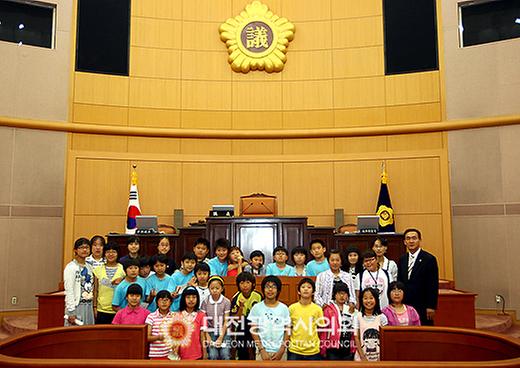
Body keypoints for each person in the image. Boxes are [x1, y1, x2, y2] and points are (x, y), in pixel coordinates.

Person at [397, 228, 439, 326]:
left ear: (419, 240)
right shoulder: (402, 259)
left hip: (423, 305)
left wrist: (431, 306)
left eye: (414, 238)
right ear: (404, 242)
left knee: (424, 332)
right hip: (405, 304)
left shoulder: (429, 259)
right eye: (408, 238)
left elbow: (433, 285)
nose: (411, 241)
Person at [249, 276, 290, 361]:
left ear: (278, 290)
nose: (270, 290)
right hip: (262, 351)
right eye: (267, 286)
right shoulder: (256, 307)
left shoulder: (284, 308)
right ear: (263, 289)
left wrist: (282, 349)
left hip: (280, 351)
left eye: (274, 287)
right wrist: (262, 350)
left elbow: (287, 330)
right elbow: (253, 330)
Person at [288, 278, 323, 360]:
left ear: (313, 292)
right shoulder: (292, 308)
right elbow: (289, 328)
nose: (306, 289)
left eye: (309, 287)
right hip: (295, 350)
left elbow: (320, 328)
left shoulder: (317, 309)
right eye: (303, 287)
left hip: (313, 351)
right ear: (298, 291)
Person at [230, 272, 262, 360]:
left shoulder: (258, 296)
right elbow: (235, 320)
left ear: (253, 284)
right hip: (242, 326)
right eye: (242, 283)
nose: (245, 285)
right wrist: (240, 307)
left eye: (248, 282)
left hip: (257, 325)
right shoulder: (236, 298)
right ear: (238, 285)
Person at [319, 282, 356, 360]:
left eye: (344, 293)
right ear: (334, 295)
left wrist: (353, 348)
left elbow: (354, 330)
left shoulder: (351, 309)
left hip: (348, 347)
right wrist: (323, 347)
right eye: (339, 293)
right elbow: (324, 330)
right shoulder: (328, 310)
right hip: (332, 347)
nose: (342, 296)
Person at [64, 237, 95, 326]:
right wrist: (71, 311)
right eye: (81, 247)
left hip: (88, 305)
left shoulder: (89, 267)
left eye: (87, 247)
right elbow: (69, 290)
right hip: (77, 305)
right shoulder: (71, 267)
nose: (84, 250)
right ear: (75, 250)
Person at [93, 241, 125, 324]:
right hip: (101, 310)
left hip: (119, 310)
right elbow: (95, 290)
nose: (111, 254)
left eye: (113, 252)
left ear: (118, 253)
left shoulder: (123, 269)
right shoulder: (97, 270)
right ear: (104, 254)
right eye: (108, 252)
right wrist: (95, 307)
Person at [200, 276, 231, 360]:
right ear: (208, 289)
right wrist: (207, 336)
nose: (214, 290)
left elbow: (226, 320)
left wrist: (221, 337)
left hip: (224, 331)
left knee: (225, 354)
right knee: (213, 355)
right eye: (212, 288)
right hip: (210, 331)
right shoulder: (205, 302)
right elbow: (203, 321)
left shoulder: (226, 302)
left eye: (217, 288)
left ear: (222, 288)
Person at [353, 287, 388, 361]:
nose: (368, 301)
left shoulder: (382, 317)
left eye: (371, 298)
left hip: (379, 358)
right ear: (361, 300)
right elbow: (356, 338)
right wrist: (362, 357)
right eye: (365, 298)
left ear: (376, 300)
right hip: (361, 358)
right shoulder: (357, 316)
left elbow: (386, 339)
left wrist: (381, 357)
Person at [176, 286, 208, 360]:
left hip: (197, 355)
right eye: (188, 297)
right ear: (183, 299)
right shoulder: (178, 316)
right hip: (182, 355)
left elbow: (203, 337)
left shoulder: (202, 315)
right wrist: (176, 353)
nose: (191, 300)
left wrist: (205, 353)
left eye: (194, 297)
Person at [146, 290, 174, 360]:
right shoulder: (151, 317)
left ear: (170, 302)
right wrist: (158, 337)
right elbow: (147, 337)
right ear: (157, 302)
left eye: (166, 300)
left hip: (171, 356)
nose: (164, 302)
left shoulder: (175, 316)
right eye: (161, 300)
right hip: (155, 355)